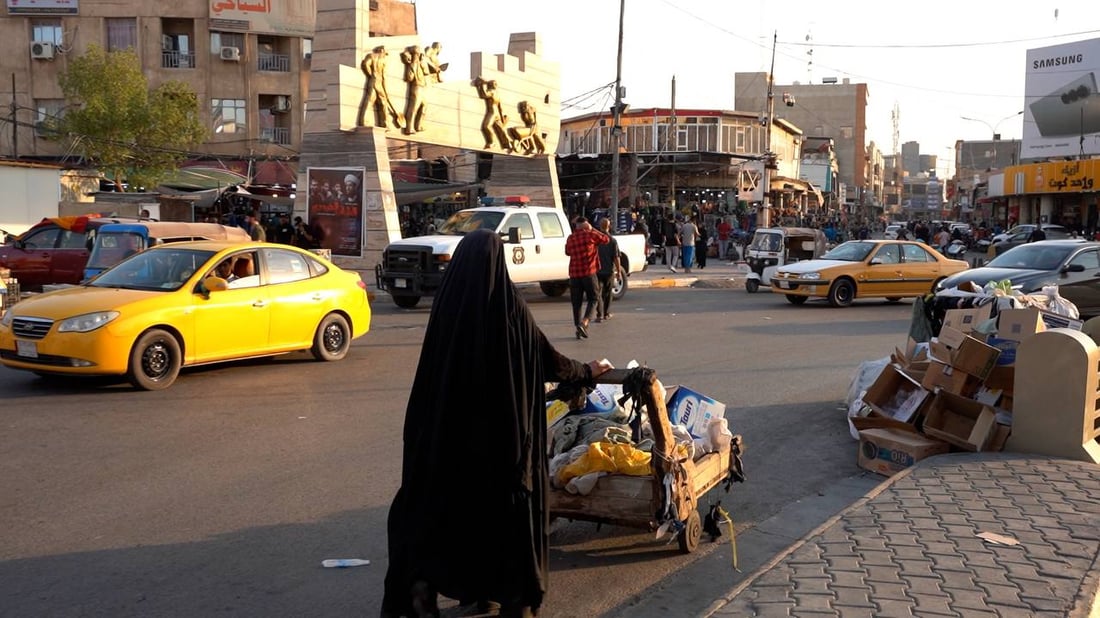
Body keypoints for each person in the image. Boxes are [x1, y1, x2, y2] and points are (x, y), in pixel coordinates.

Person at [380, 229, 611, 618]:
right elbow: (548, 361)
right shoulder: (507, 306)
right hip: (500, 442)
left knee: (453, 510)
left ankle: (460, 591)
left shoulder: (447, 305)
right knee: (504, 514)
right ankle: (512, 599)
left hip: (448, 439)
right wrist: (587, 370)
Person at [565, 216, 608, 339]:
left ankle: (578, 327)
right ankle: (584, 322)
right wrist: (592, 229)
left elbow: (567, 252)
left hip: (574, 274)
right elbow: (605, 239)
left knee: (576, 303)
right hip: (588, 272)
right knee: (594, 298)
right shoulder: (590, 235)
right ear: (586, 225)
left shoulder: (571, 238)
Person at [594, 217, 621, 323]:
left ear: (600, 226)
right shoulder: (612, 240)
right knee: (608, 293)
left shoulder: (596, 240)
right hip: (608, 270)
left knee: (598, 293)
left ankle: (599, 314)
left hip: (597, 270)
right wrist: (618, 271)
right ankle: (606, 313)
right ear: (609, 226)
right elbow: (616, 257)